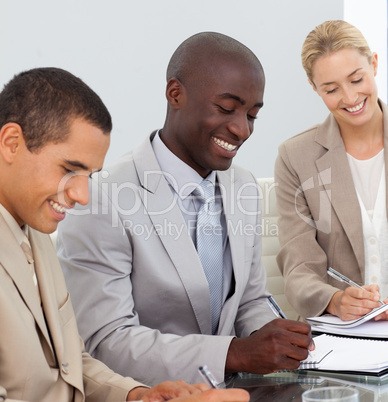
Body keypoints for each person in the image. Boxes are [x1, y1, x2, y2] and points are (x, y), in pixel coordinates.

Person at [57, 31, 312, 387]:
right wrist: (234, 353)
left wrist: (286, 338)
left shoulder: (243, 186)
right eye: (226, 109)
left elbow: (249, 300)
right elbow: (104, 343)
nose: (241, 129)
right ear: (175, 94)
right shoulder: (102, 198)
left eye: (252, 115)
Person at [0, 66, 250, 402]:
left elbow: (70, 366)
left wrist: (137, 395)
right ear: (11, 143)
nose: (82, 195)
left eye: (89, 176)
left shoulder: (34, 230)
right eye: (69, 170)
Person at [275, 20, 388, 321]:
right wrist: (335, 300)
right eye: (331, 89)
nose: (350, 98)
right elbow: (299, 268)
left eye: (356, 79)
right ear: (314, 88)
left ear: (374, 64)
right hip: (339, 335)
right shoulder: (295, 157)